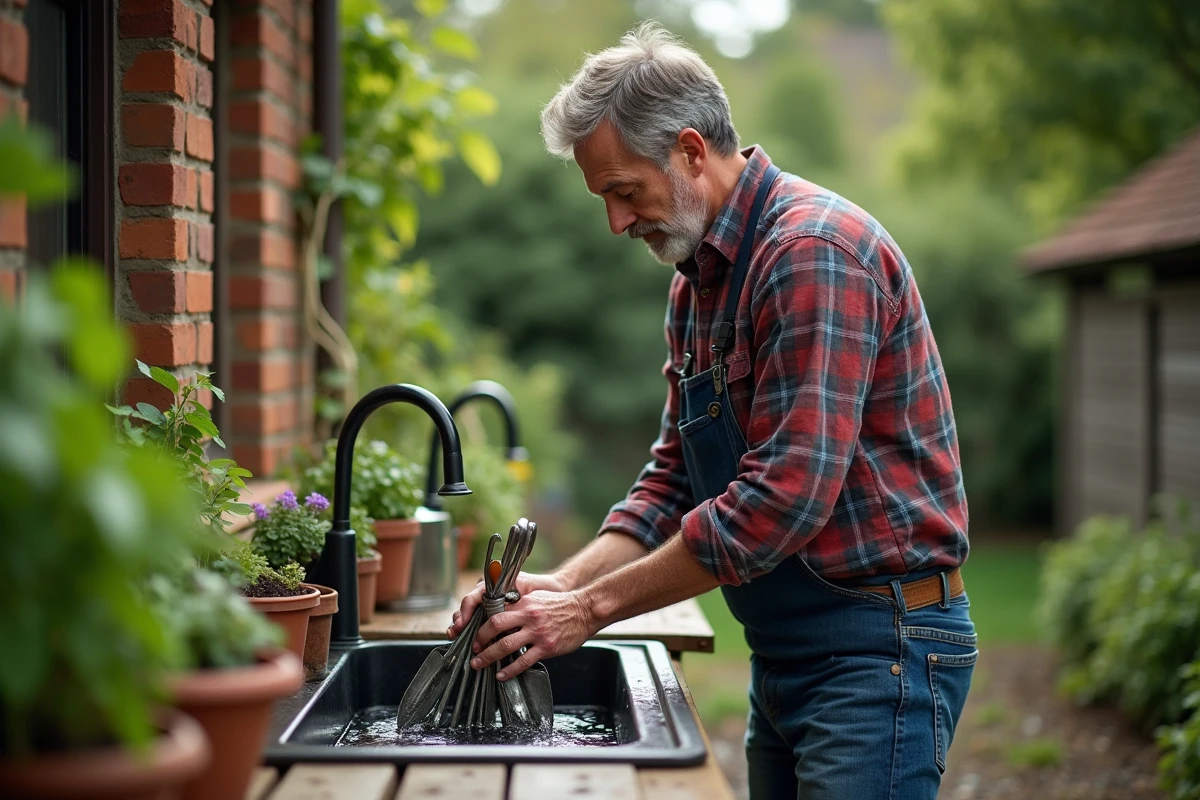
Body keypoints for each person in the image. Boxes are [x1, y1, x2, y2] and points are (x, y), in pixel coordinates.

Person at [448, 21, 976, 800]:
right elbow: (673, 483)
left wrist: (589, 610)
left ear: (692, 151)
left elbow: (781, 503)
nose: (617, 223)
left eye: (625, 191)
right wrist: (555, 590)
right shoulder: (700, 280)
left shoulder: (812, 255)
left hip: (878, 648)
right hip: (790, 648)